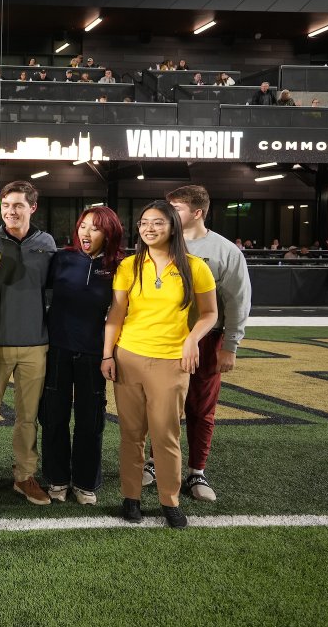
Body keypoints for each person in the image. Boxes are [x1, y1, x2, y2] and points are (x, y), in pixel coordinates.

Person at [101, 201, 217, 529]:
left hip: (171, 362)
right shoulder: (128, 266)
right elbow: (117, 314)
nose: (149, 228)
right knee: (131, 434)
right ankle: (131, 497)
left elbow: (210, 314)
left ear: (173, 227)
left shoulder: (195, 266)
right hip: (128, 357)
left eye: (158, 223)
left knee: (166, 435)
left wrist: (192, 339)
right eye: (144, 222)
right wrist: (108, 354)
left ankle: (170, 499)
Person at [164, 185, 251, 502]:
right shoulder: (159, 242)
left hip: (204, 340)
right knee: (159, 407)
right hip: (162, 339)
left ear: (198, 212)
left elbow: (237, 301)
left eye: (177, 208)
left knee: (200, 409)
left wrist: (230, 345)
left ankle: (196, 471)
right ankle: (153, 462)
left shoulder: (224, 251)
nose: (169, 214)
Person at [39, 206, 125, 505]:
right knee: (54, 417)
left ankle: (86, 482)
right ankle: (56, 478)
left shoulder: (119, 266)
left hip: (94, 353)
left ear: (109, 232)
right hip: (58, 349)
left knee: (91, 420)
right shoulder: (61, 258)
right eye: (83, 226)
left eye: (95, 228)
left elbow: (119, 312)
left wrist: (108, 353)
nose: (86, 233)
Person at [0, 181, 56, 506]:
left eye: (17, 205)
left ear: (32, 207)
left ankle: (24, 476)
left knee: (27, 417)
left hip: (34, 343)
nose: (11, 211)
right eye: (6, 205)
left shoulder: (46, 243)